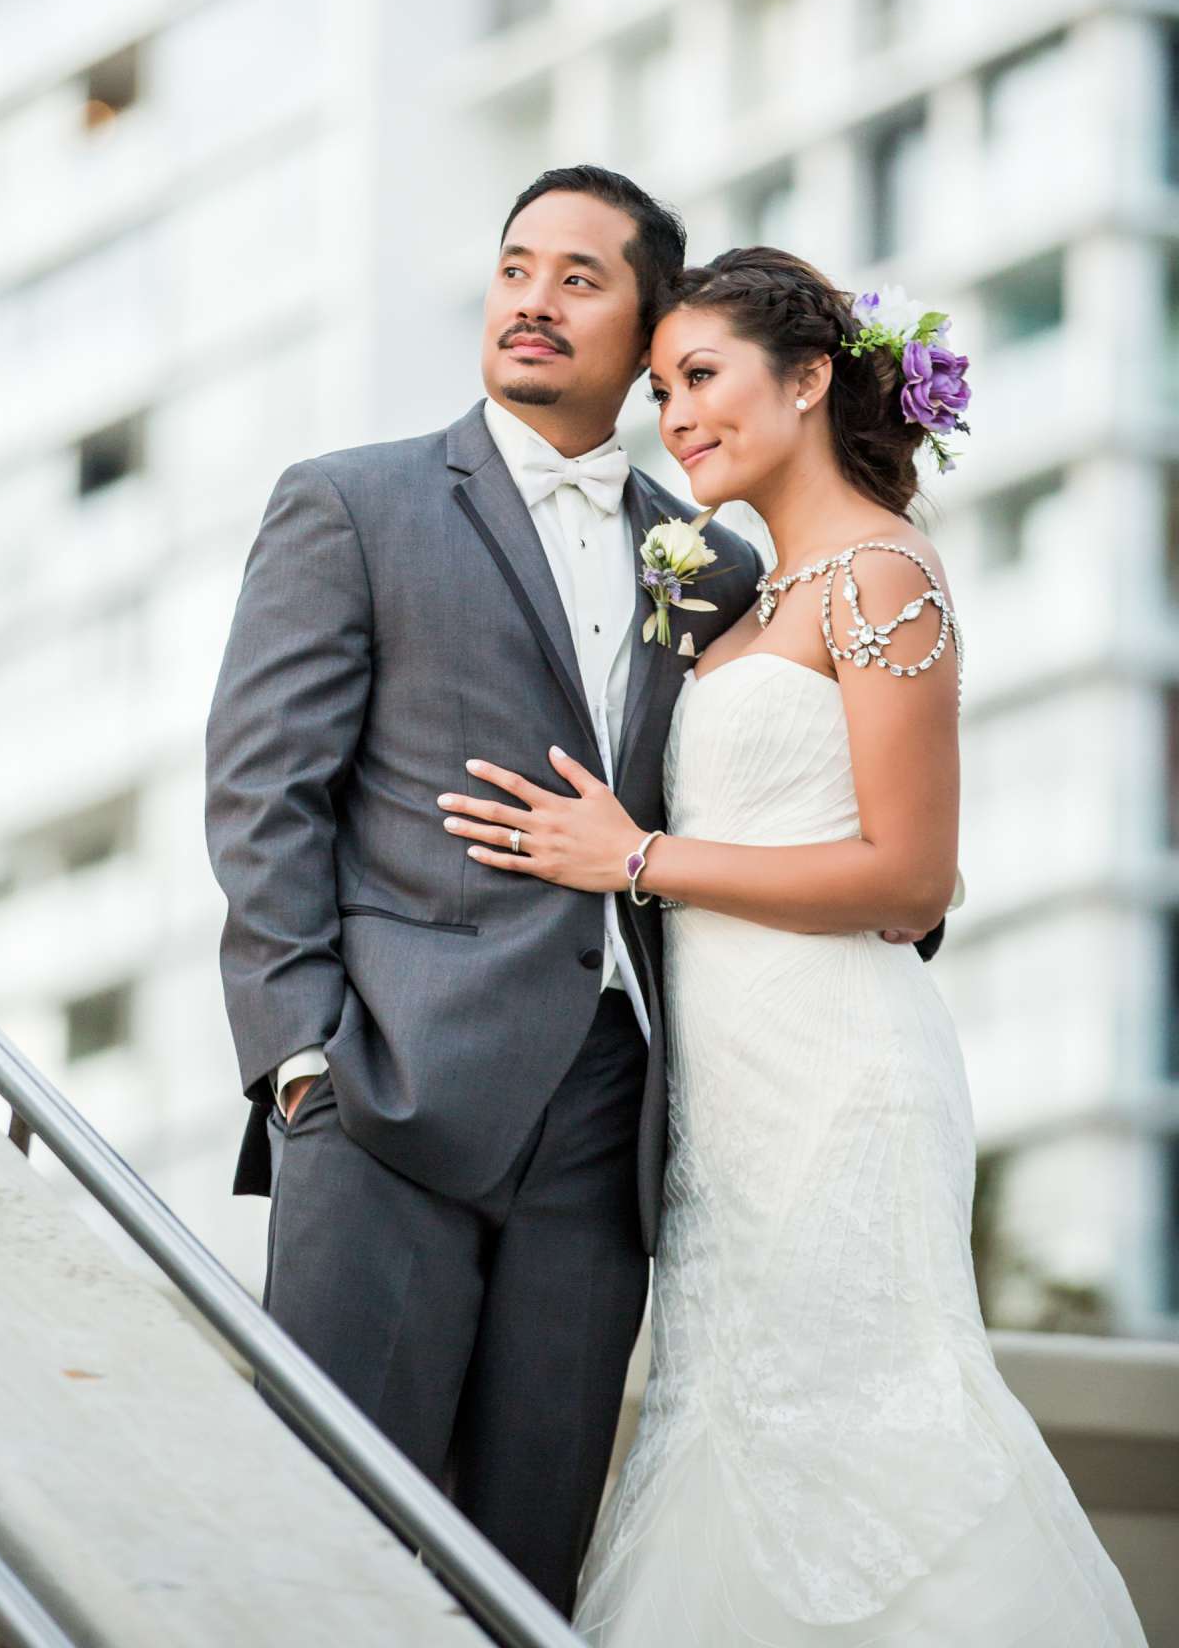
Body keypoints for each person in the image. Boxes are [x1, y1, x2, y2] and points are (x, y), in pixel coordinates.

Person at [442, 245, 1146, 1645]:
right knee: (735, 1422)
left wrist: (632, 859)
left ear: (812, 378)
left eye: (702, 377)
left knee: (862, 1421)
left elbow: (913, 872)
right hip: (728, 1095)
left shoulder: (882, 576)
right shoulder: (749, 596)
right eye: (662, 389)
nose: (677, 415)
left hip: (840, 1073)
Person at [205, 166, 771, 1611]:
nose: (532, 297)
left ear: (649, 329)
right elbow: (266, 790)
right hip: (383, 1095)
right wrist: (299, 1061)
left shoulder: (706, 558)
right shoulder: (354, 501)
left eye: (580, 277)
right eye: (517, 266)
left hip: (605, 1127)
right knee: (330, 1559)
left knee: (524, 1574)